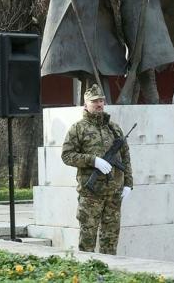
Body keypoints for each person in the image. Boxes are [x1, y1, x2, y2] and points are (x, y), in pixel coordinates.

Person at [61, 84, 133, 255]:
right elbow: (67, 155)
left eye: (101, 100)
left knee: (110, 240)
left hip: (113, 194)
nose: (99, 104)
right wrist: (92, 161)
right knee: (87, 241)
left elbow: (126, 157)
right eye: (94, 101)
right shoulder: (77, 129)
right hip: (90, 194)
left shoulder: (114, 128)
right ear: (86, 105)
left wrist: (128, 183)